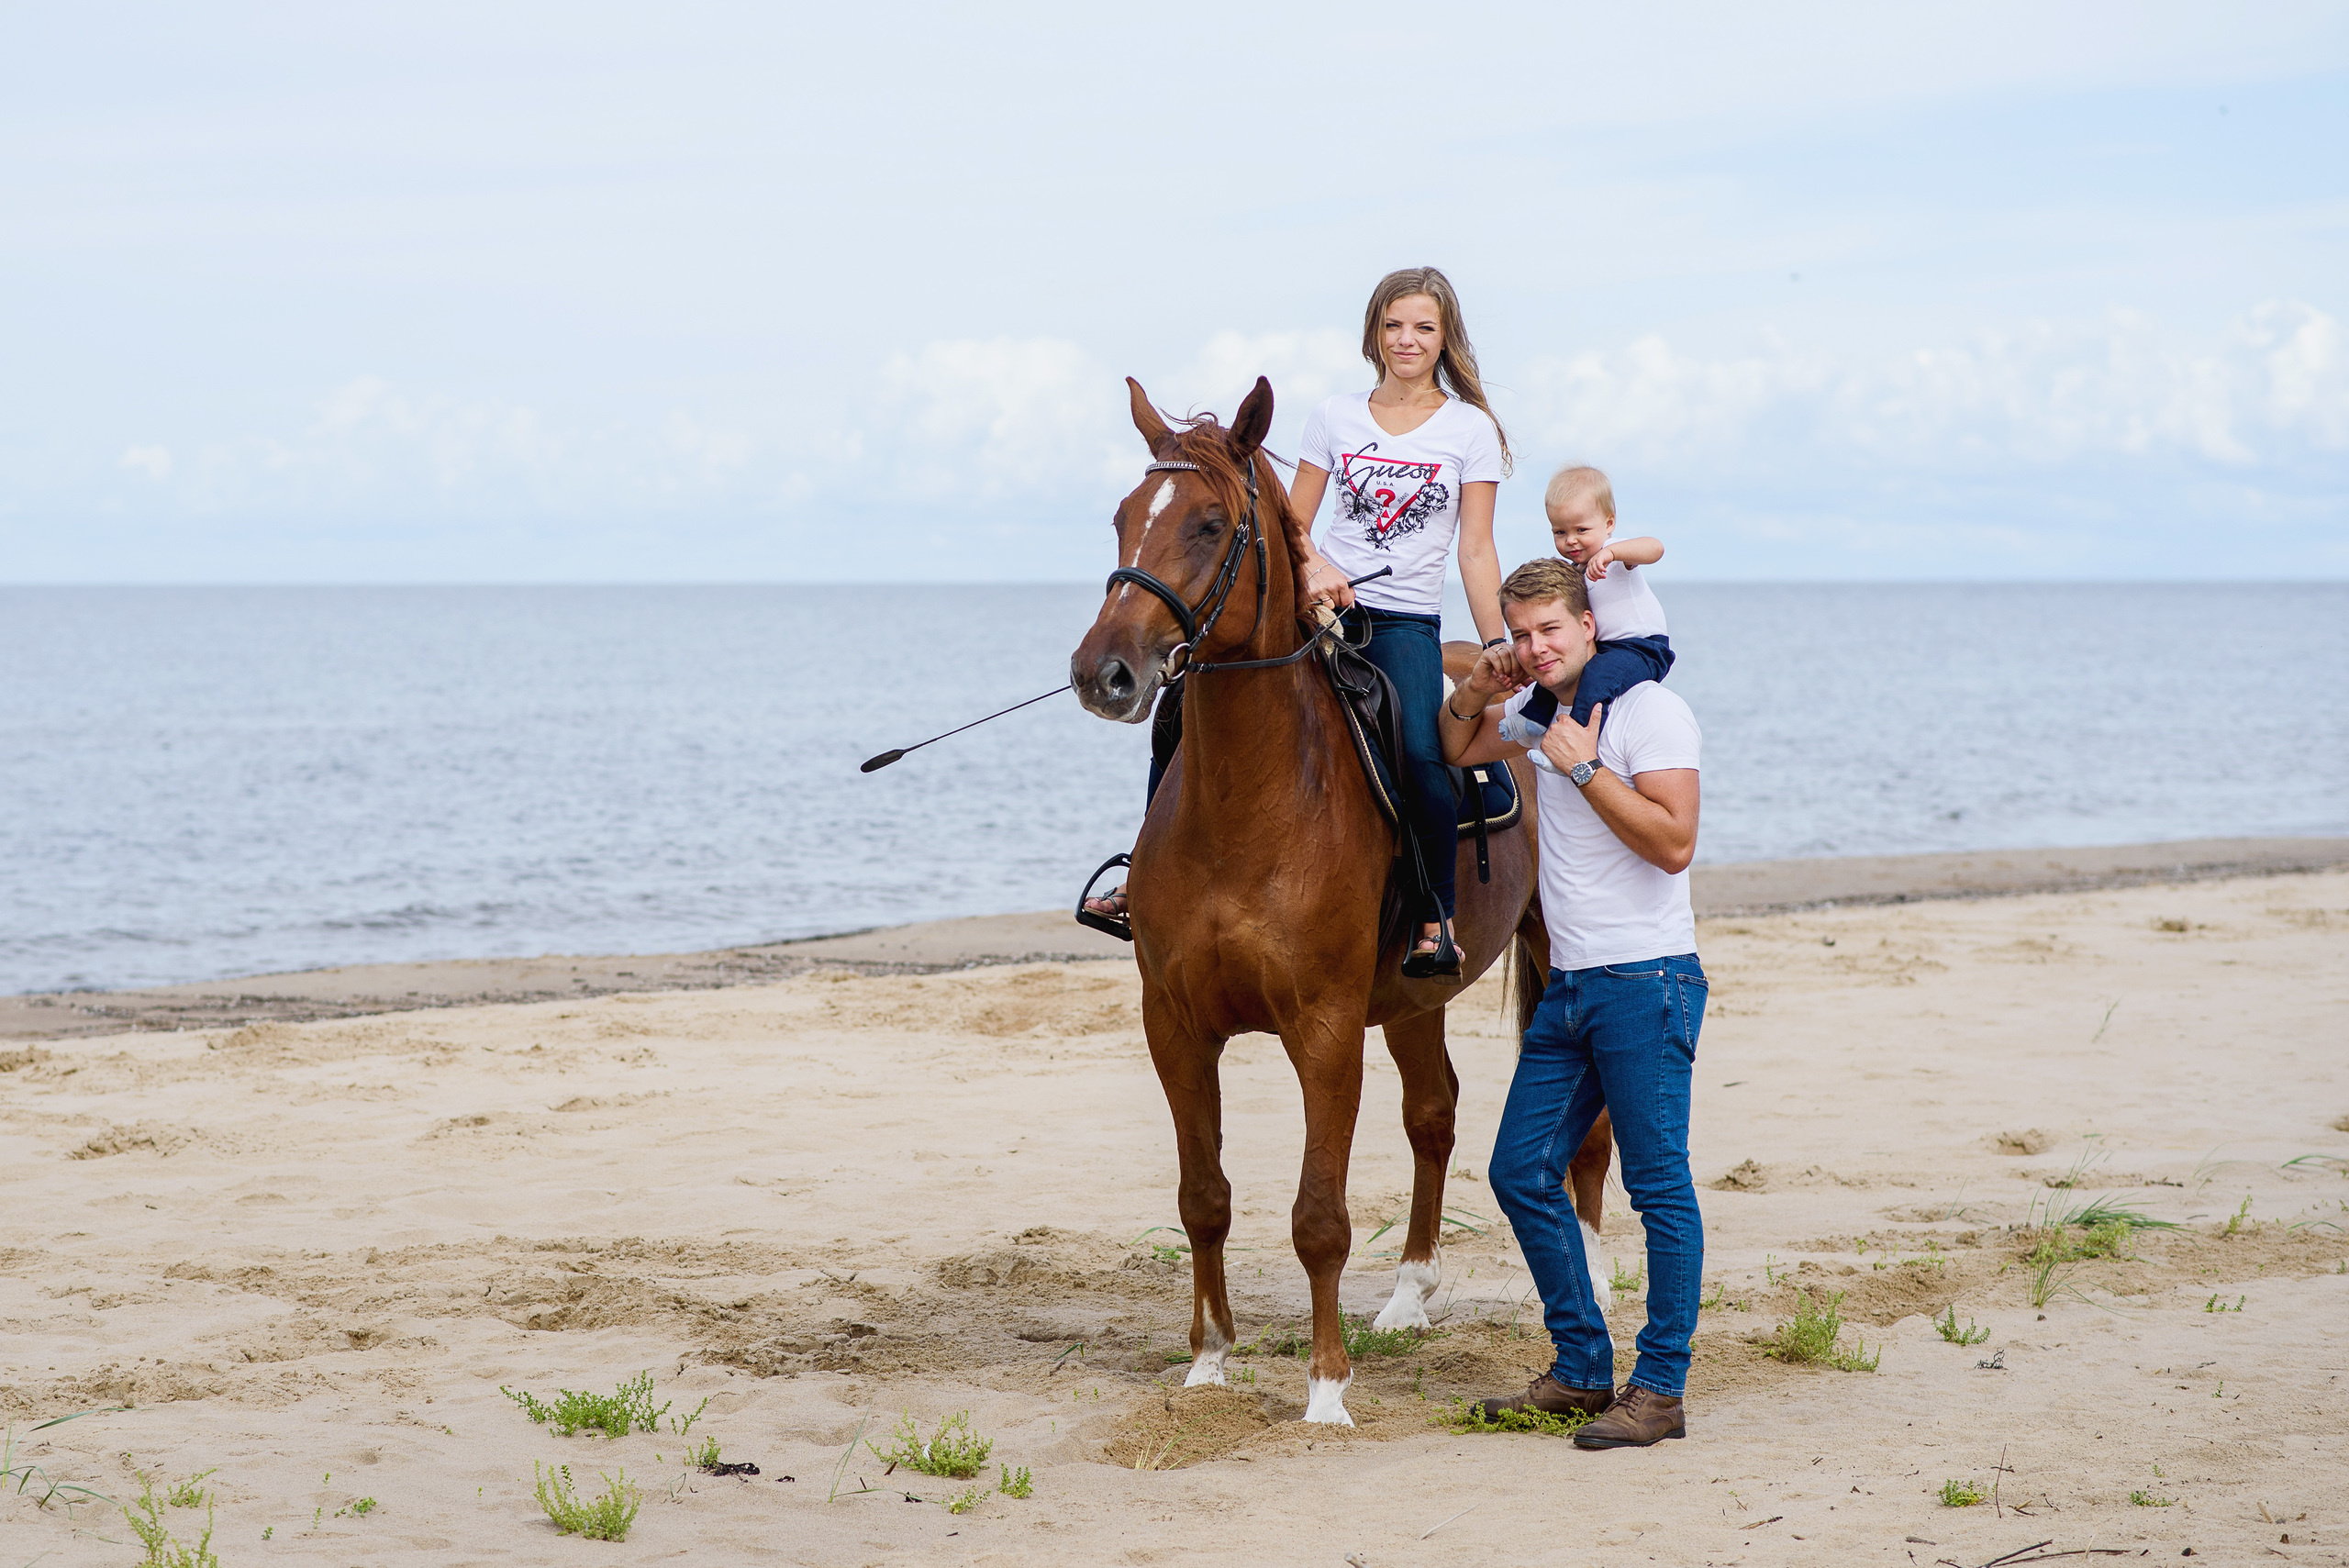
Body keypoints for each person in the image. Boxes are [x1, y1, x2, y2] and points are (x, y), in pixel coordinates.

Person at [1085, 265, 1515, 977]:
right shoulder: (1334, 417)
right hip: (1321, 611)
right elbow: (1296, 522)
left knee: (1418, 748)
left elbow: (1474, 547)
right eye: (1394, 325)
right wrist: (1314, 568)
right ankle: (1142, 873)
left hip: (1403, 622)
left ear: (1446, 339)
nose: (1407, 340)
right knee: (1178, 713)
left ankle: (1436, 914)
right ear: (1375, 333)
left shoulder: (1468, 429)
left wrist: (1496, 638)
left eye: (1424, 328)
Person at [1437, 557, 1707, 1448]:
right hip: (1573, 986)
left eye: (1549, 627)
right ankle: (1583, 1366)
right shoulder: (1541, 711)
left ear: (1590, 624)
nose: (1536, 645)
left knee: (1656, 1185)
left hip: (1647, 979)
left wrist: (1586, 768)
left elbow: (1673, 843)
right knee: (1520, 1169)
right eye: (1520, 631)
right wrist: (1477, 684)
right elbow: (1456, 745)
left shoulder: (1651, 711)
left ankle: (1659, 1388)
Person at [1512, 463, 1675, 733]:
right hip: (1607, 648)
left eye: (1582, 530)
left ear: (1609, 523)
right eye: (1560, 532)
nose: (1571, 541)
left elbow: (1655, 548)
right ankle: (1532, 719)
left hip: (1642, 647)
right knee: (1562, 676)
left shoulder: (1614, 555)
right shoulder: (1577, 572)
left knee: (1596, 680)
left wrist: (1613, 554)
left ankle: (1575, 734)